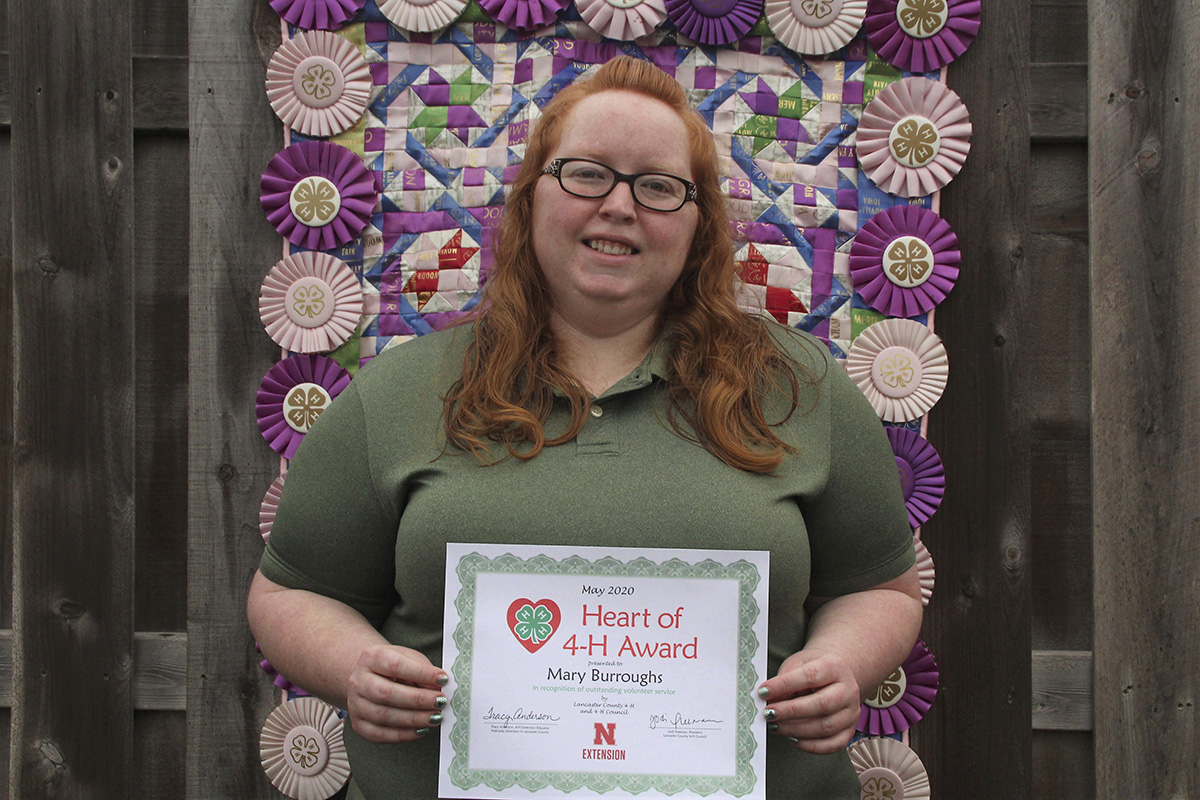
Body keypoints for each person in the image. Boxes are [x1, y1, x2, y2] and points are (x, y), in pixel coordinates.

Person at [248, 55, 922, 799]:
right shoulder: (403, 393)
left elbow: (883, 590)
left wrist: (840, 665)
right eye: (587, 174)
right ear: (532, 198)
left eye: (659, 187)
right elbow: (289, 594)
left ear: (699, 226)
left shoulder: (801, 389)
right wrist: (354, 667)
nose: (619, 206)